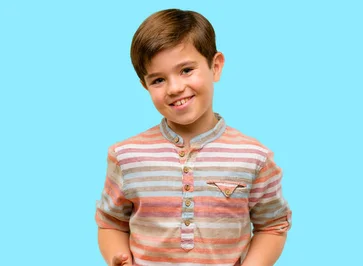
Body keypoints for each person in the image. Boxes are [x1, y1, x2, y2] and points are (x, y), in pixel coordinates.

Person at [95, 8, 292, 266]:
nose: (175, 88)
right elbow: (111, 223)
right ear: (145, 85)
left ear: (216, 66)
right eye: (158, 80)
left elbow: (272, 225)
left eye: (186, 70)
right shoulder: (126, 155)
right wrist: (116, 256)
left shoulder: (254, 156)